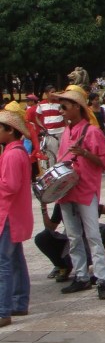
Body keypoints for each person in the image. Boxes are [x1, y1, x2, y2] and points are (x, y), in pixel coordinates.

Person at [54, 85, 105, 300]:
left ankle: (102, 279)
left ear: (76, 108)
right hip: (66, 190)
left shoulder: (92, 131)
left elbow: (104, 162)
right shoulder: (66, 133)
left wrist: (85, 154)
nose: (61, 111)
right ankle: (81, 276)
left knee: (93, 236)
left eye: (64, 107)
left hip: (86, 190)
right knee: (73, 236)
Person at [0, 103, 33, 326]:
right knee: (15, 259)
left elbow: (9, 186)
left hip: (8, 214)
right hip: (15, 214)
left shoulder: (12, 154)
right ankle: (19, 302)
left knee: (4, 262)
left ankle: (3, 310)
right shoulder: (17, 151)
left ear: (10, 130)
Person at [35, 202, 105, 281]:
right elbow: (50, 227)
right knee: (42, 237)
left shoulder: (79, 201)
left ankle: (86, 272)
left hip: (89, 236)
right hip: (73, 237)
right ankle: (63, 266)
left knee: (73, 255)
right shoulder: (61, 204)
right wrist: (44, 208)